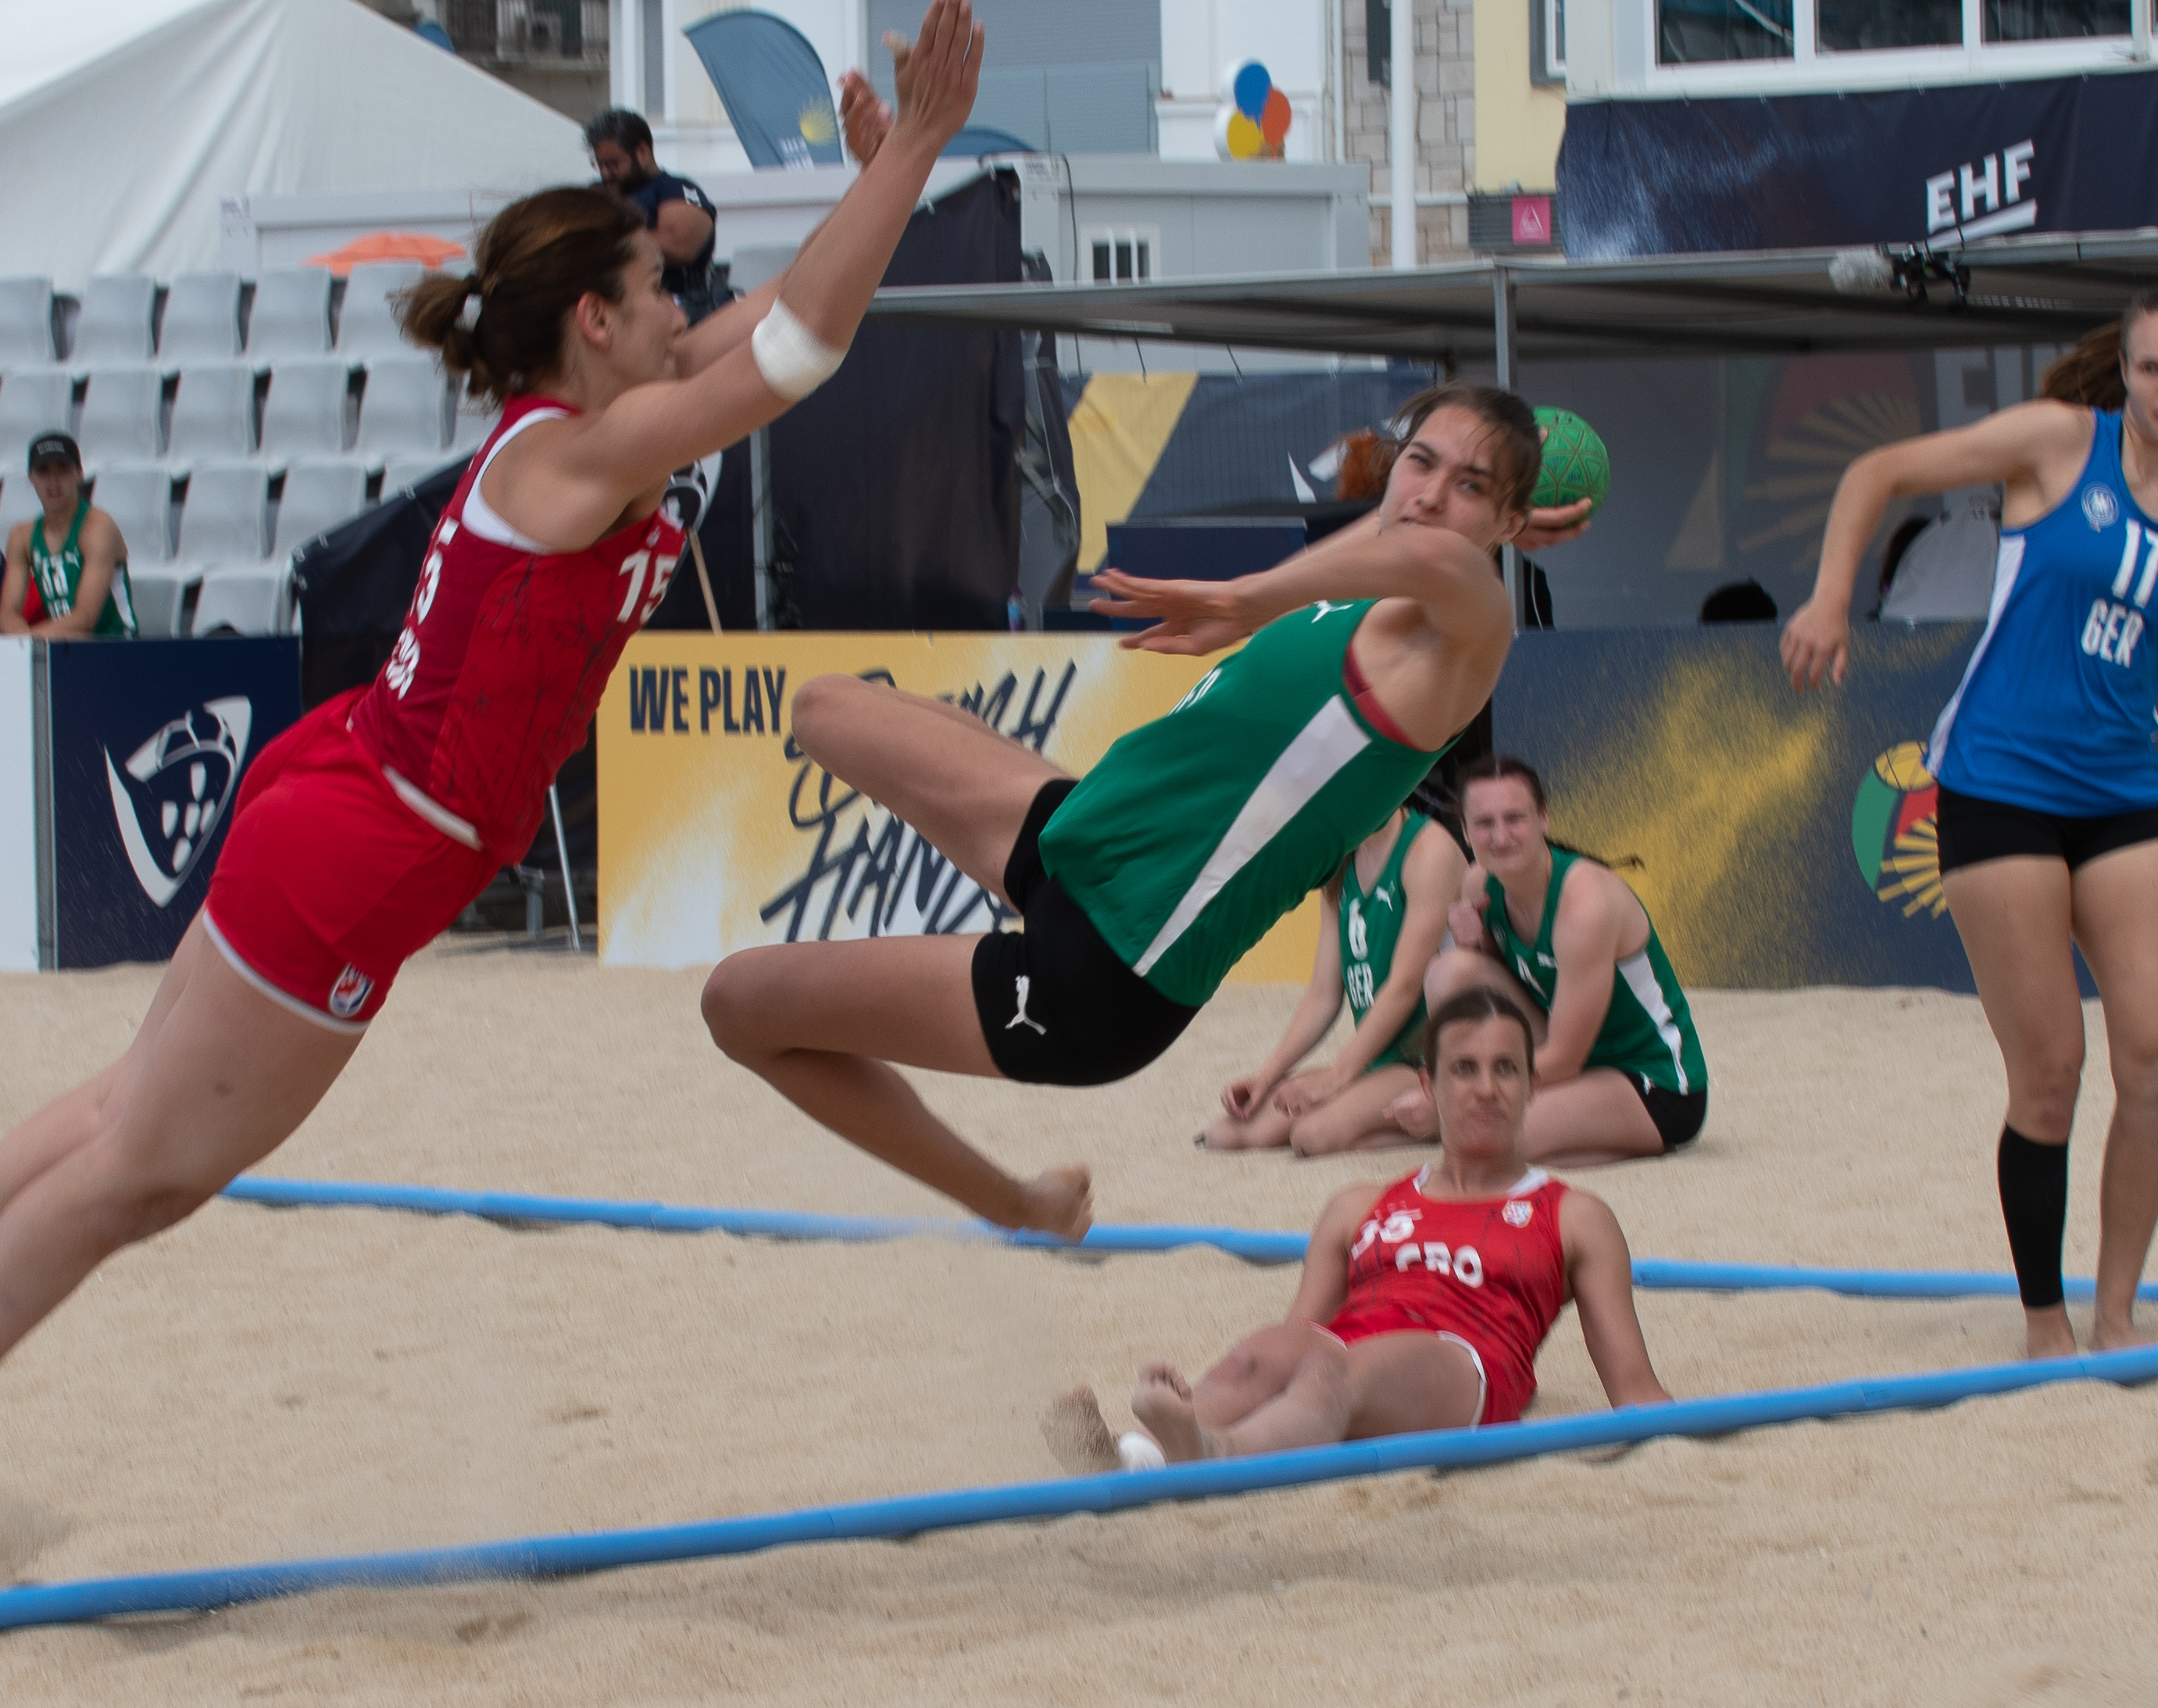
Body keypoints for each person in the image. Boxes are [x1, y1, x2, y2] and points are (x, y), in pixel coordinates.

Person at [0, 0, 993, 1553]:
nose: (675, 302)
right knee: (142, 1171)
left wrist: (875, 185)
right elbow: (789, 352)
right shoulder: (574, 454)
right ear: (591, 319)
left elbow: (775, 325)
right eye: (652, 287)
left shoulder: (596, 420)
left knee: (122, 1115)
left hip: (357, 794)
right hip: (374, 841)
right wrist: (912, 150)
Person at [700, 377, 1592, 1241]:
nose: (1432, 493)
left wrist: (1245, 599)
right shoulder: (1375, 576)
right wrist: (1485, 503)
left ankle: (1015, 1202)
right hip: (1085, 837)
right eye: (1421, 462)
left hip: (1111, 967)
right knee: (824, 708)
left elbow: (1431, 552)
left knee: (737, 1002)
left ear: (1506, 525)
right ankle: (1104, 833)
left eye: (1469, 487)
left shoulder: (1469, 630)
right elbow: (1404, 533)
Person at [1779, 290, 2158, 1360]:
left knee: (2157, 1065)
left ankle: (2117, 1311)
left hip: (2120, 793)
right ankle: (2044, 1319)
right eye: (2152, 366)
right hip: (1997, 781)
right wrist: (1828, 601)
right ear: (2129, 371)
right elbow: (1877, 472)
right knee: (2050, 1072)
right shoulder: (2060, 443)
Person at [1045, 988, 1671, 1470]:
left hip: (1464, 1367)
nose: (1486, 1089)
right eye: (1464, 1069)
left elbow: (1635, 1390)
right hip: (1343, 1357)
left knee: (1336, 1374)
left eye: (1505, 1069)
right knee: (1260, 1355)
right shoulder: (1358, 1205)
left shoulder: (1572, 1214)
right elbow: (1302, 1335)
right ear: (1427, 1086)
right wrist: (1273, 1364)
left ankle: (1217, 1455)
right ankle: (1134, 1455)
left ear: (1533, 1086)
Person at [1409, 756, 1710, 1166]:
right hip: (1575, 1059)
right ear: (1464, 830)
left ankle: (1625, 1136)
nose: (1500, 837)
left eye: (1515, 818)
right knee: (1449, 972)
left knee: (1489, 1141)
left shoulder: (1584, 903)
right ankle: (1583, 1133)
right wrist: (1474, 945)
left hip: (1653, 1081)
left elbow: (1565, 1059)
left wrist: (1453, 1099)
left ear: (1544, 819)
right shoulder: (1479, 882)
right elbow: (1497, 990)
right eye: (1483, 823)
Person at [1200, 800, 1466, 1156]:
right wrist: (1267, 1076)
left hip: (1428, 1061)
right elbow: (1323, 996)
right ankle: (1378, 1100)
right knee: (1227, 1135)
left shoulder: (1429, 850)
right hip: (1380, 1058)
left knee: (1312, 1137)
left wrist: (1339, 1075)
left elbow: (1404, 987)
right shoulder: (1342, 861)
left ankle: (1444, 1121)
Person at [0, 434, 137, 640]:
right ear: (31, 478)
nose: (53, 481)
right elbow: (7, 615)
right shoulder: (21, 536)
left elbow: (85, 619)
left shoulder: (98, 528)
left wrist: (29, 641)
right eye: (43, 472)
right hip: (60, 646)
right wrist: (24, 643)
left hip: (114, 644)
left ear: (79, 474)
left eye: (62, 470)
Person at [588, 108, 719, 321]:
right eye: (599, 164)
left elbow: (679, 246)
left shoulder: (677, 189)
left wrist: (602, 242)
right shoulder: (597, 193)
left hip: (677, 305)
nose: (605, 173)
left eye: (613, 164)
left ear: (642, 151)